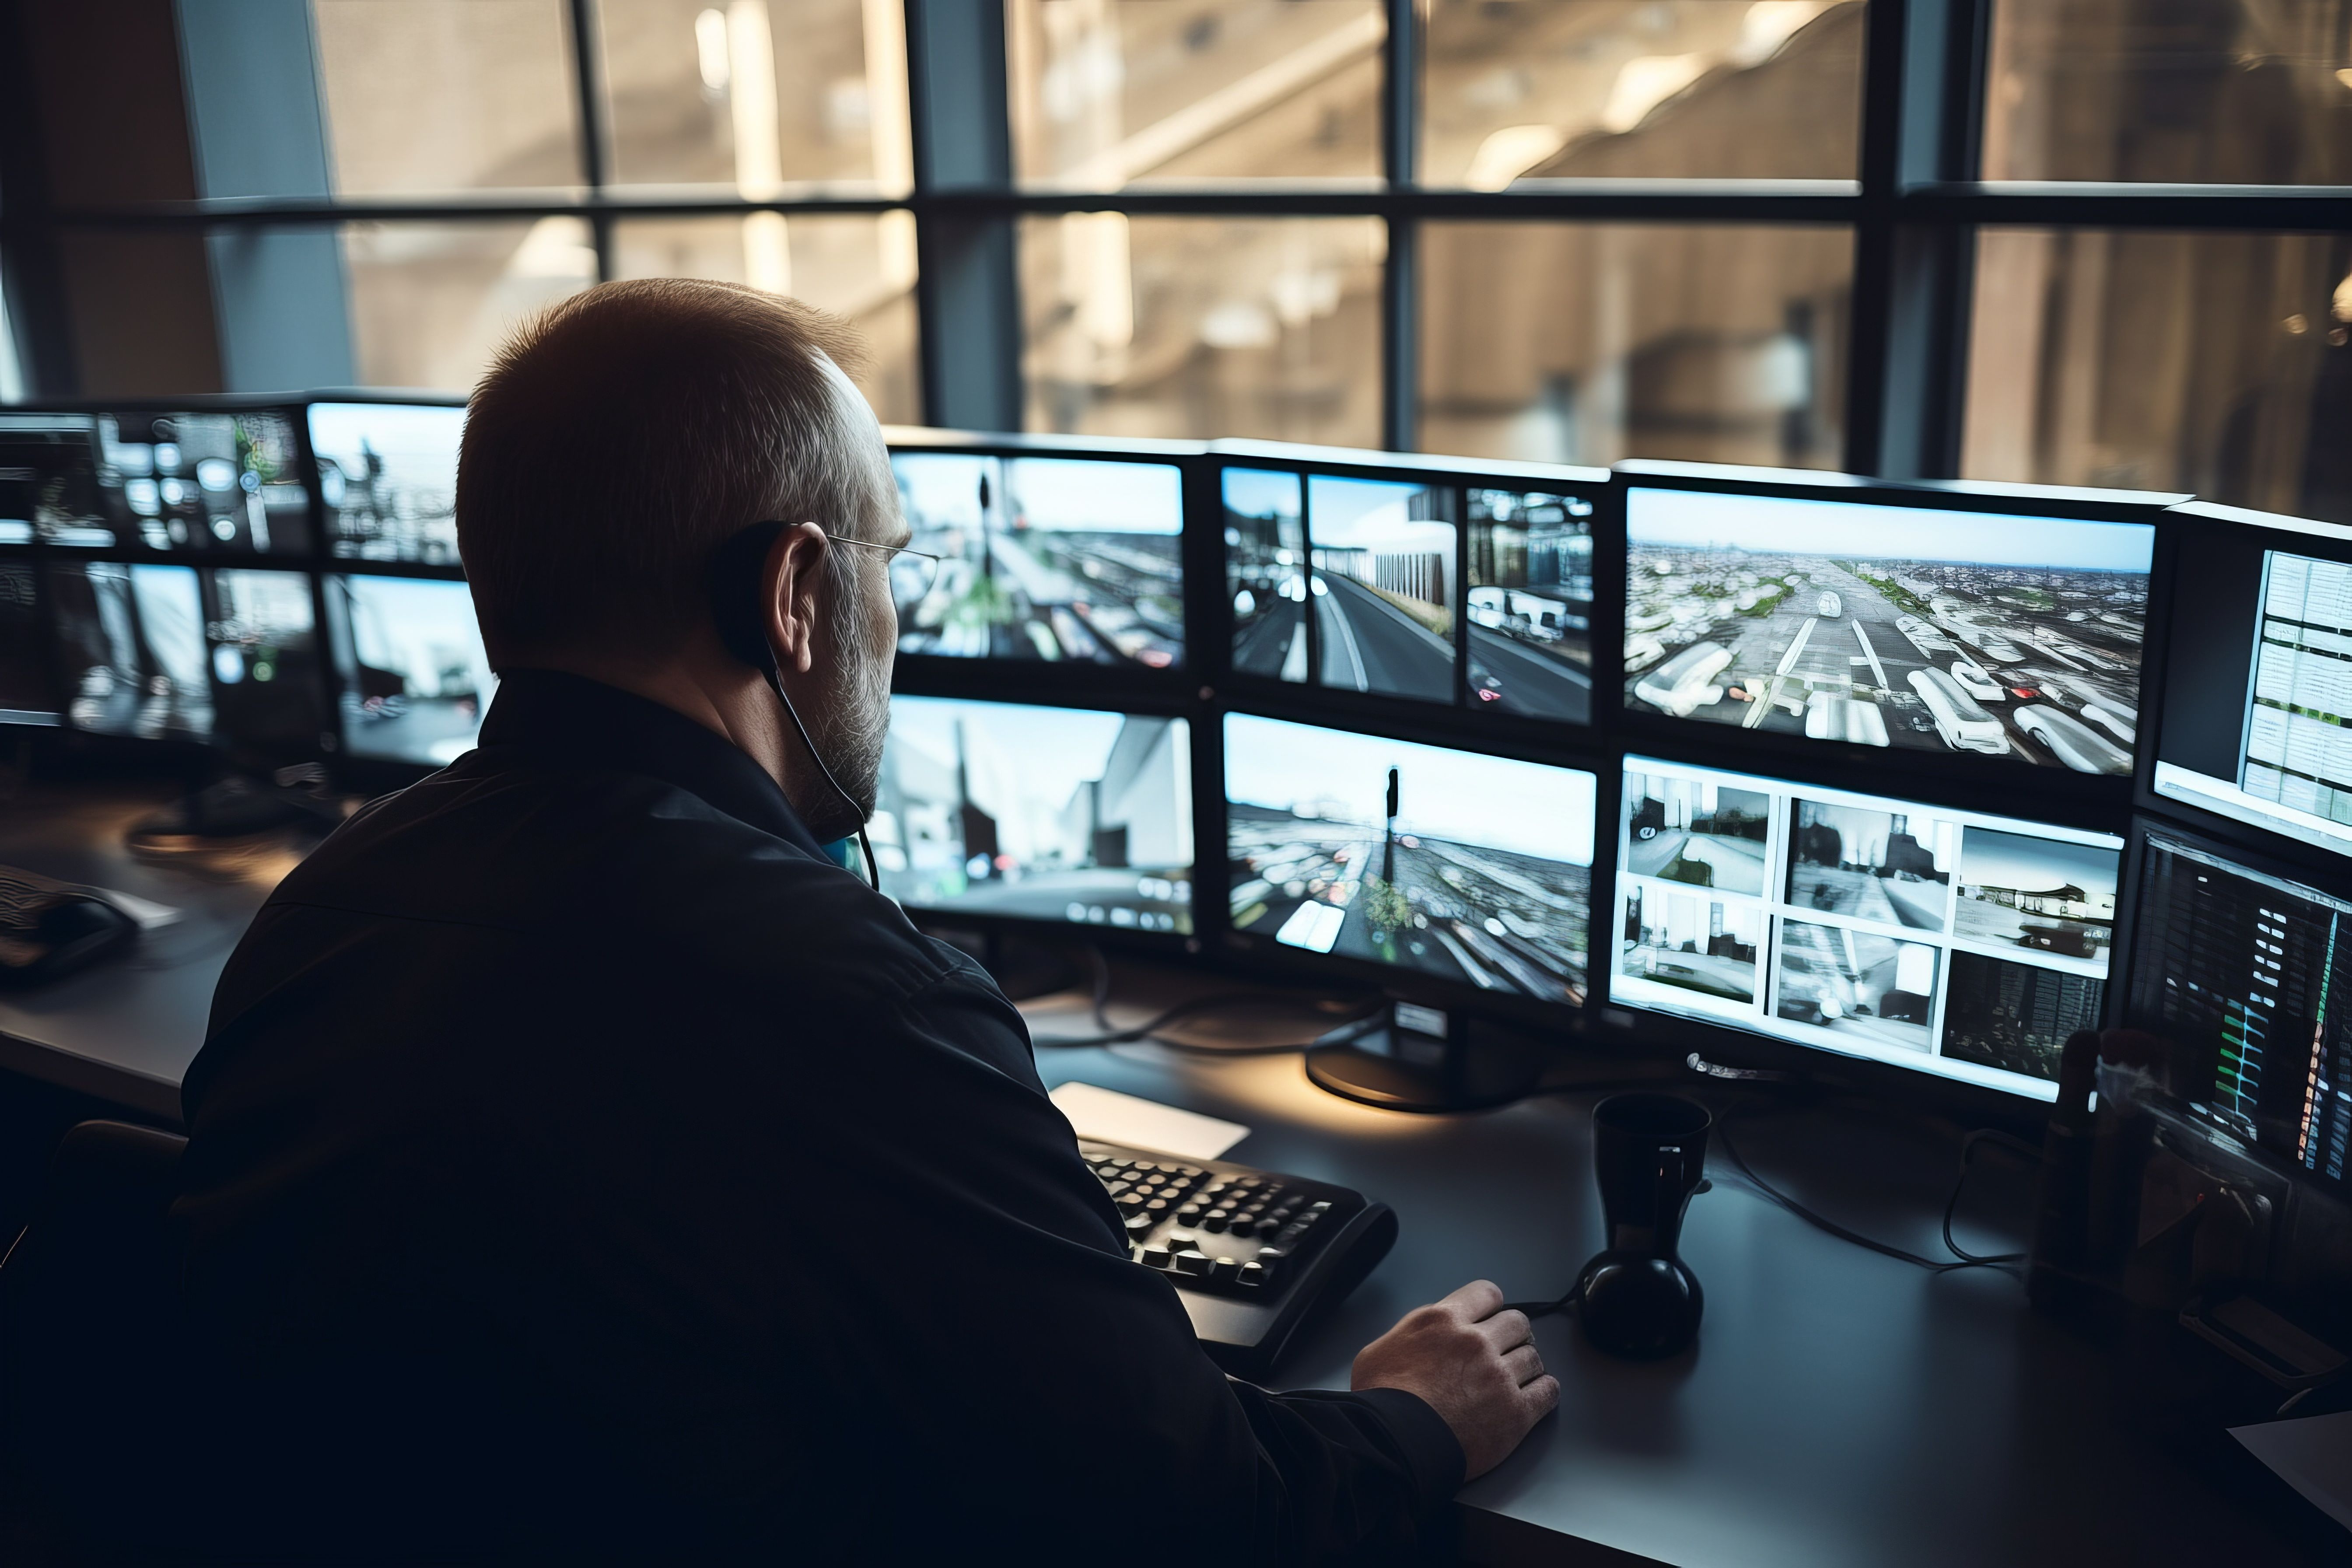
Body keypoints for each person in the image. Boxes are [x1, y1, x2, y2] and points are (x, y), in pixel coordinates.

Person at [170, 280, 1558, 1562]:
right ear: (794, 596)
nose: (896, 609)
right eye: (887, 554)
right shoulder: (847, 1000)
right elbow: (1207, 1516)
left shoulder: (320, 913)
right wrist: (1415, 1416)